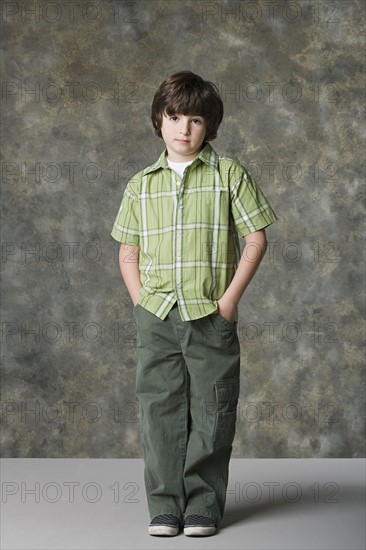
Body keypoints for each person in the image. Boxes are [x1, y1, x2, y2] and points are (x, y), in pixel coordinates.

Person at [111, 70, 278, 537]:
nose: (184, 128)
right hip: (157, 316)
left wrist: (228, 301)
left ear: (210, 126)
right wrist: (141, 300)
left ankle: (203, 505)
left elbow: (255, 240)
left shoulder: (229, 175)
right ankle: (165, 506)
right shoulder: (140, 185)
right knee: (159, 408)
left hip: (210, 315)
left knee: (212, 408)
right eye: (174, 116)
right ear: (159, 120)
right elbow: (128, 250)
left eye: (196, 119)